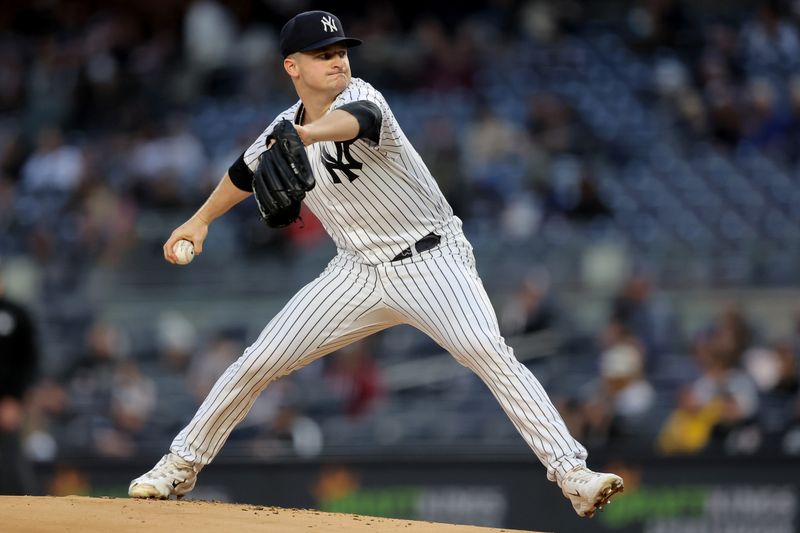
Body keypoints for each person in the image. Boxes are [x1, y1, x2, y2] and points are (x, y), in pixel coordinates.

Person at [127, 10, 623, 518]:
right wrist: (200, 220)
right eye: (324, 55)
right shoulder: (281, 130)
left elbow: (357, 122)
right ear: (292, 67)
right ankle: (178, 466)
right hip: (355, 271)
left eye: (341, 51)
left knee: (487, 351)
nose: (338, 60)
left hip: (432, 258)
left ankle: (574, 475)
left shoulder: (364, 98)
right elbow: (240, 171)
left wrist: (307, 138)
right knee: (256, 361)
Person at [0, 268, 40, 494]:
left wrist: (15, 398)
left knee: (11, 454)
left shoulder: (16, 314)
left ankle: (24, 502)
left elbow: (28, 358)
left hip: (7, 399)